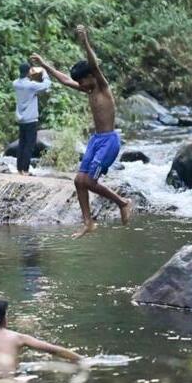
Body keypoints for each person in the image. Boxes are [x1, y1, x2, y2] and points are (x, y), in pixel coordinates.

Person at [30, 25, 133, 238]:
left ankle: (122, 202)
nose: (80, 85)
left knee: (90, 182)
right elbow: (65, 80)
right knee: (79, 181)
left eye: (82, 80)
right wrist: (44, 65)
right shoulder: (88, 88)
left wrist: (85, 40)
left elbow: (94, 65)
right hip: (96, 140)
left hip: (109, 142)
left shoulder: (102, 86)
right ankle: (88, 223)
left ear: (91, 77)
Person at [13, 62, 51, 175]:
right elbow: (47, 84)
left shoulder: (15, 83)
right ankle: (25, 170)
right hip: (31, 119)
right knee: (29, 145)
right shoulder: (31, 85)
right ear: (28, 71)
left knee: (22, 144)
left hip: (21, 119)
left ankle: (19, 169)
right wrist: (44, 73)